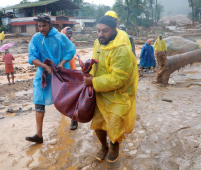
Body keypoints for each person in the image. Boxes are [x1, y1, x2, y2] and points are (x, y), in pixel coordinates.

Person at [83, 16, 139, 162]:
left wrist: (93, 81)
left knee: (115, 124)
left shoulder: (122, 50)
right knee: (99, 124)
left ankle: (114, 146)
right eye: (98, 30)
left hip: (118, 94)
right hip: (100, 92)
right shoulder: (97, 43)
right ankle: (103, 146)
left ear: (114, 30)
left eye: (105, 31)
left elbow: (119, 79)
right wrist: (88, 66)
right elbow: (97, 62)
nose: (100, 34)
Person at [26, 14, 76, 143]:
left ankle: (74, 117)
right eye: (39, 26)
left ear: (50, 25)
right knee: (39, 99)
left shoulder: (60, 37)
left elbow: (71, 50)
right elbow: (31, 57)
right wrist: (44, 66)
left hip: (61, 72)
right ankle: (39, 135)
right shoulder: (36, 38)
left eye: (44, 25)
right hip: (44, 73)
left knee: (66, 97)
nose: (41, 28)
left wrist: (61, 63)